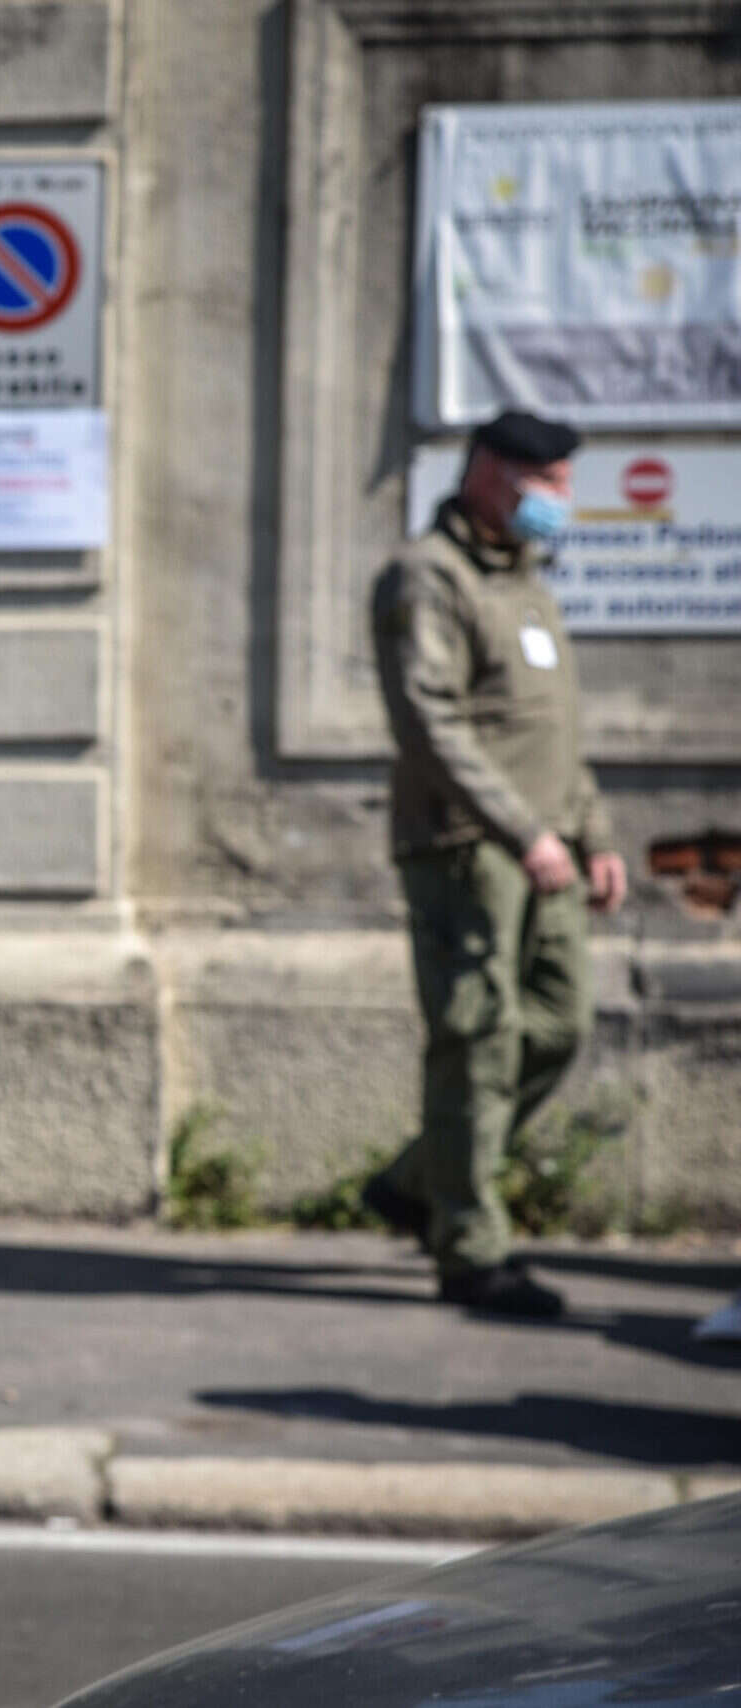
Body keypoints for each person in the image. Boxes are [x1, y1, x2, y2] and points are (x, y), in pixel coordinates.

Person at [364, 409, 625, 1320]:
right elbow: (428, 721)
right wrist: (524, 831)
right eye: (543, 483)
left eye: (562, 484)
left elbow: (553, 731)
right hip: (467, 848)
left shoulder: (527, 585)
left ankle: (415, 1184)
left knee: (558, 1025)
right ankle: (471, 1248)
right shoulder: (426, 577)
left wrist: (591, 835)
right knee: (476, 1040)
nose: (558, 501)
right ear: (487, 473)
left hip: (546, 850)